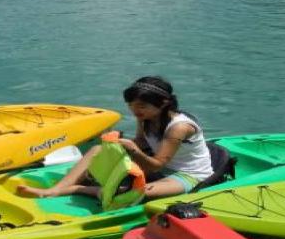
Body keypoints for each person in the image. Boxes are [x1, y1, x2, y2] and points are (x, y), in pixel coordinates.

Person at [17, 76, 213, 202]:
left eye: (142, 106)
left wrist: (132, 150)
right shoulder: (145, 118)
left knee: (132, 194)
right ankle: (56, 190)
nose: (135, 111)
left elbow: (156, 166)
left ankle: (78, 188)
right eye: (131, 105)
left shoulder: (179, 128)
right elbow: (142, 143)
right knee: (96, 150)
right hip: (157, 164)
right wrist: (116, 146)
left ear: (163, 103)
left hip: (187, 175)